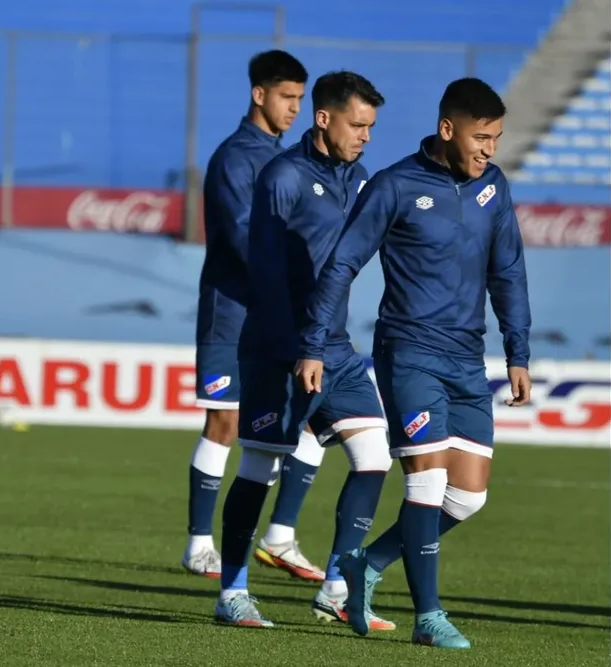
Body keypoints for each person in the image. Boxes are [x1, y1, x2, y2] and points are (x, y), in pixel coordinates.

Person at [297, 77, 532, 650]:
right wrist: (312, 343)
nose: (489, 150)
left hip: (466, 358)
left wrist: (518, 351)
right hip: (409, 352)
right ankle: (429, 616)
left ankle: (367, 562)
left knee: (468, 497)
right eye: (481, 138)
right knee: (426, 483)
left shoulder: (493, 187)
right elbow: (342, 264)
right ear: (448, 130)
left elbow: (508, 273)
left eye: (497, 139)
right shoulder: (395, 185)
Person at [213, 71, 396, 631]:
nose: (365, 136)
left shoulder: (360, 177)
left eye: (370, 127)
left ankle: (338, 588)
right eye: (357, 124)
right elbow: (266, 273)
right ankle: (232, 593)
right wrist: (295, 345)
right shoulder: (283, 177)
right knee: (259, 466)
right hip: (279, 347)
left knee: (374, 458)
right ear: (324, 119)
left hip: (333, 347)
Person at [185, 49, 326, 582]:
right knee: (223, 420)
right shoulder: (234, 159)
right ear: (259, 93)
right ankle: (199, 544)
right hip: (233, 313)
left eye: (299, 98)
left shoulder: (288, 158)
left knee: (311, 415)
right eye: (286, 97)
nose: (294, 108)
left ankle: (281, 536)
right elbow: (247, 240)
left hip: (278, 316)